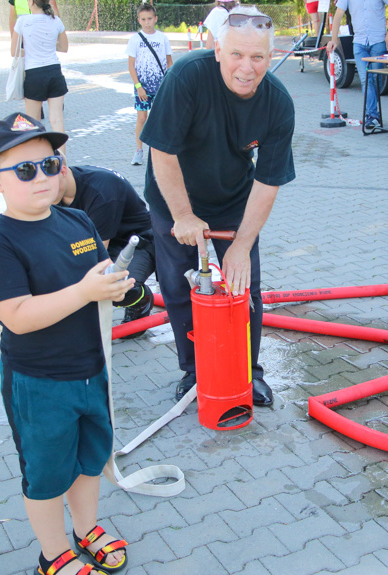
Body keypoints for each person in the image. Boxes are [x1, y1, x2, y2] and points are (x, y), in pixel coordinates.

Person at [0, 112, 131, 575]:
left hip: (92, 369)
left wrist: (116, 287)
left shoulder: (78, 219)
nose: (42, 177)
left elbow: (100, 276)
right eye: (25, 170)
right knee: (46, 473)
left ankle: (87, 529)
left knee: (90, 460)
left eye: (50, 164)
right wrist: (84, 292)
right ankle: (53, 551)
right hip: (40, 381)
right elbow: (18, 317)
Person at [141, 6, 295, 407]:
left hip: (232, 202)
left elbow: (267, 181)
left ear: (270, 53)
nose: (247, 68)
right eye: (237, 55)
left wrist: (242, 245)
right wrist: (183, 216)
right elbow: (161, 151)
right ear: (218, 51)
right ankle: (195, 371)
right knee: (178, 288)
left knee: (246, 287)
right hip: (172, 198)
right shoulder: (188, 77)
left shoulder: (278, 103)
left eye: (258, 57)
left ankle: (247, 372)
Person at [54, 154, 157, 333]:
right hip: (95, 240)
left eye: (49, 184)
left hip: (136, 242)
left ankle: (141, 298)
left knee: (115, 286)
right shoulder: (54, 190)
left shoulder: (102, 191)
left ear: (63, 171)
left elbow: (96, 258)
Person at [327, 0, 388, 129]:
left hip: (377, 41)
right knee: (366, 79)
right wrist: (333, 40)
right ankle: (372, 115)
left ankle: (372, 115)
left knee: (375, 79)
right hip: (359, 43)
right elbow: (338, 15)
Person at [12, 0, 68, 153]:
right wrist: (47, 44)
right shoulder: (56, 20)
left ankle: (39, 158)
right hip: (54, 72)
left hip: (34, 74)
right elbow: (64, 47)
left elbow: (14, 52)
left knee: (33, 122)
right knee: (57, 120)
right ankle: (63, 162)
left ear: (31, 2)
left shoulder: (22, 21)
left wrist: (31, 47)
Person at [126, 3, 173, 166]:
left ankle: (161, 151)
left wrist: (170, 82)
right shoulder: (135, 39)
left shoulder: (162, 38)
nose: (147, 22)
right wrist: (138, 86)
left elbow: (169, 62)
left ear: (156, 19)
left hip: (161, 86)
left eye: (150, 19)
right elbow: (131, 65)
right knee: (142, 117)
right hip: (142, 87)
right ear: (139, 20)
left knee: (161, 118)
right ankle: (139, 151)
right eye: (143, 19)